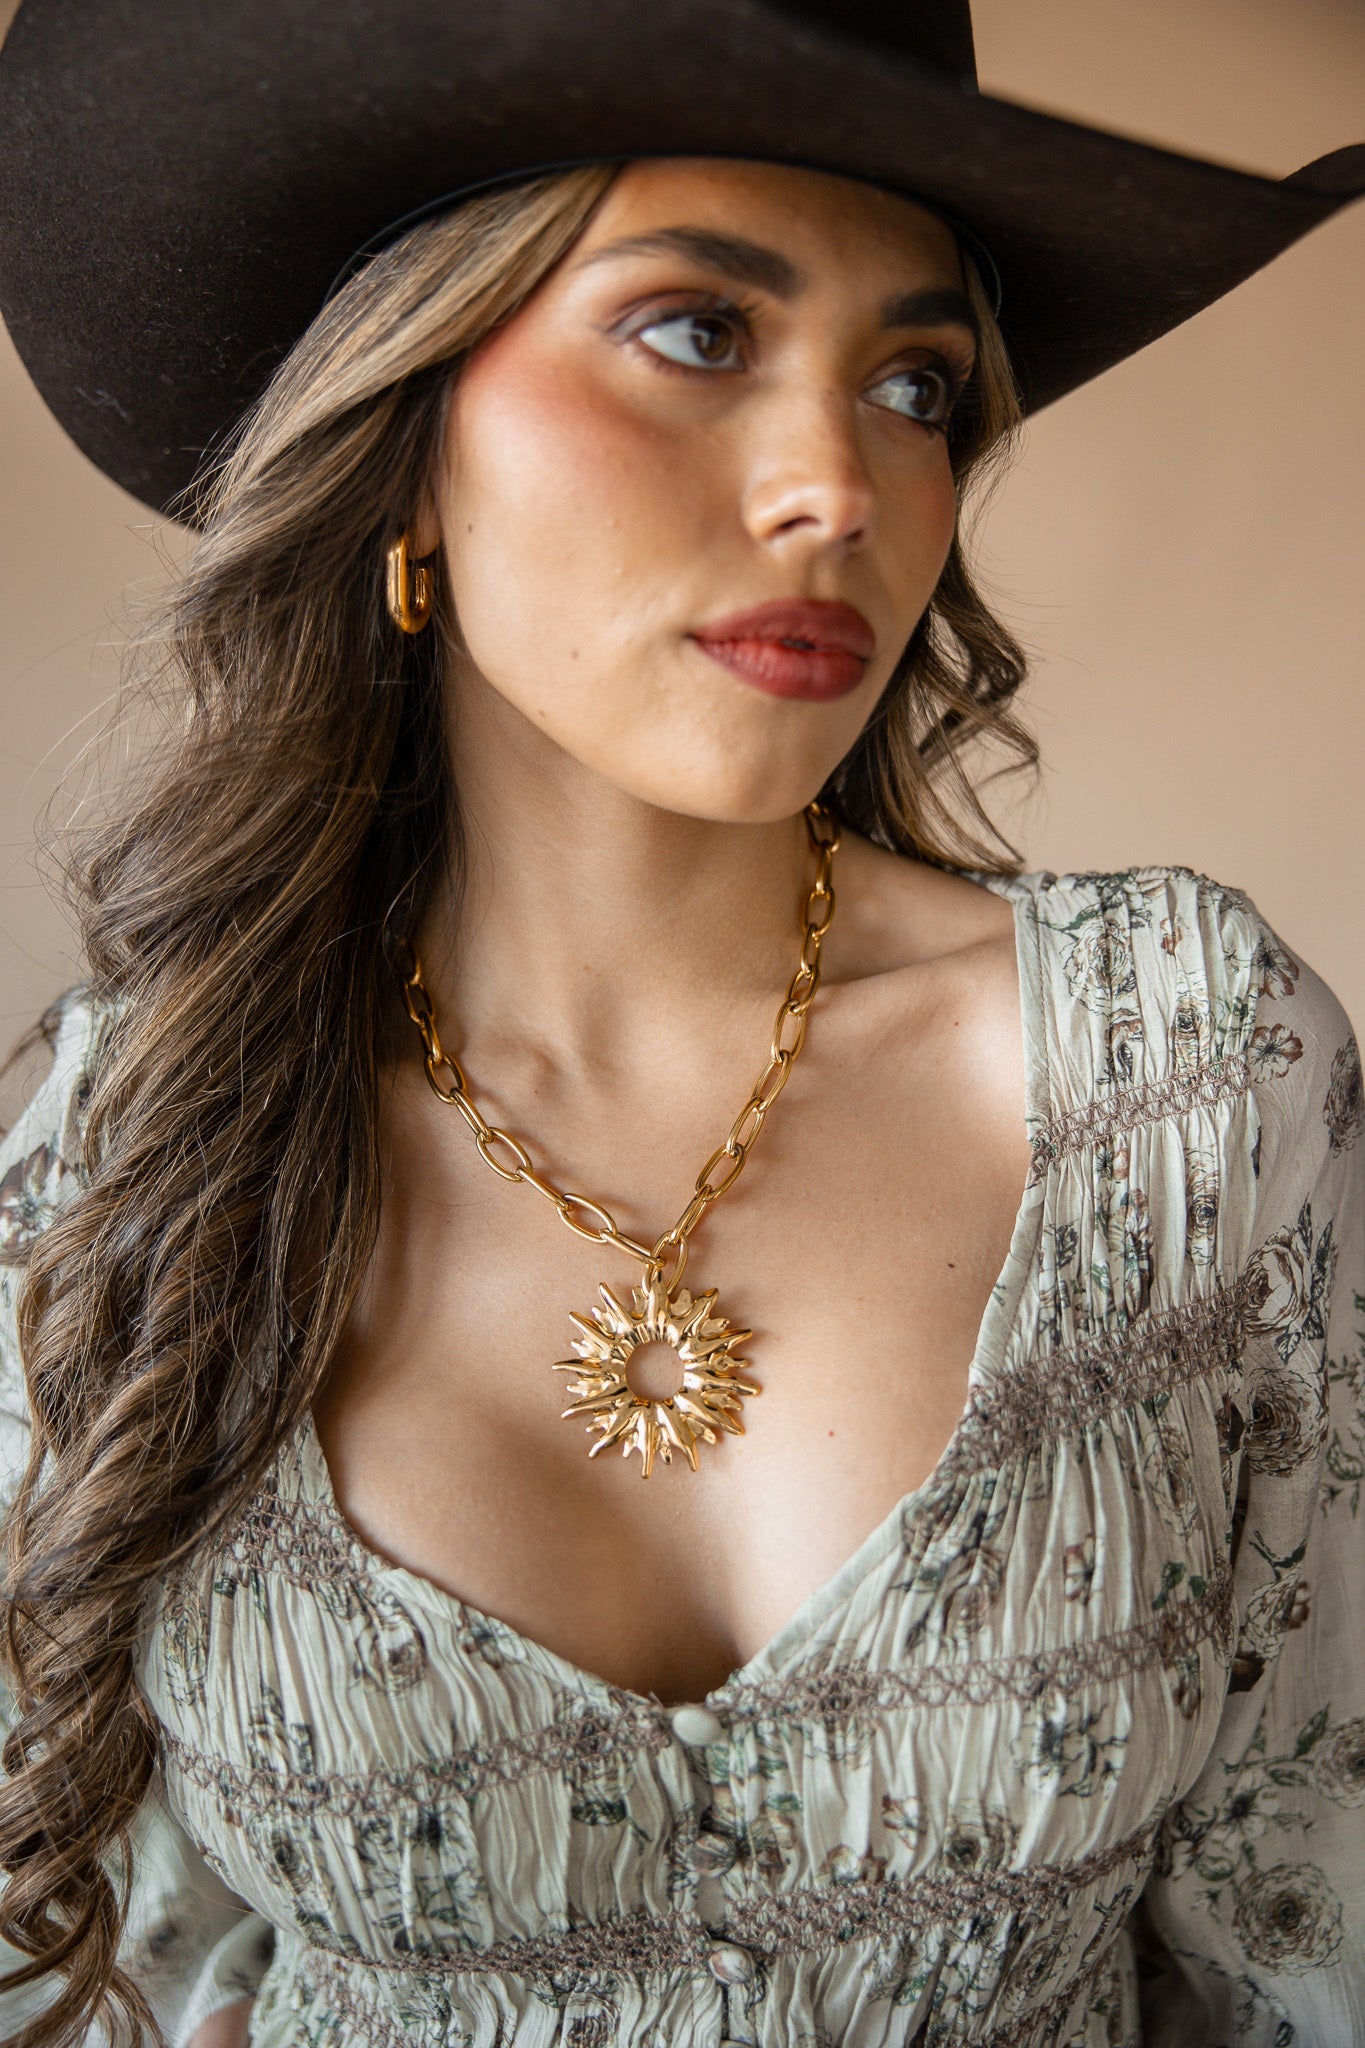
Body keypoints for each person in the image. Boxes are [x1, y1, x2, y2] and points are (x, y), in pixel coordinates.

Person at [0, 2, 1362, 2044]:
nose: (840, 485)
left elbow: (1312, 1913)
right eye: (697, 333)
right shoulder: (123, 1152)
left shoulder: (1182, 1072)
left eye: (915, 382)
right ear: (408, 436)